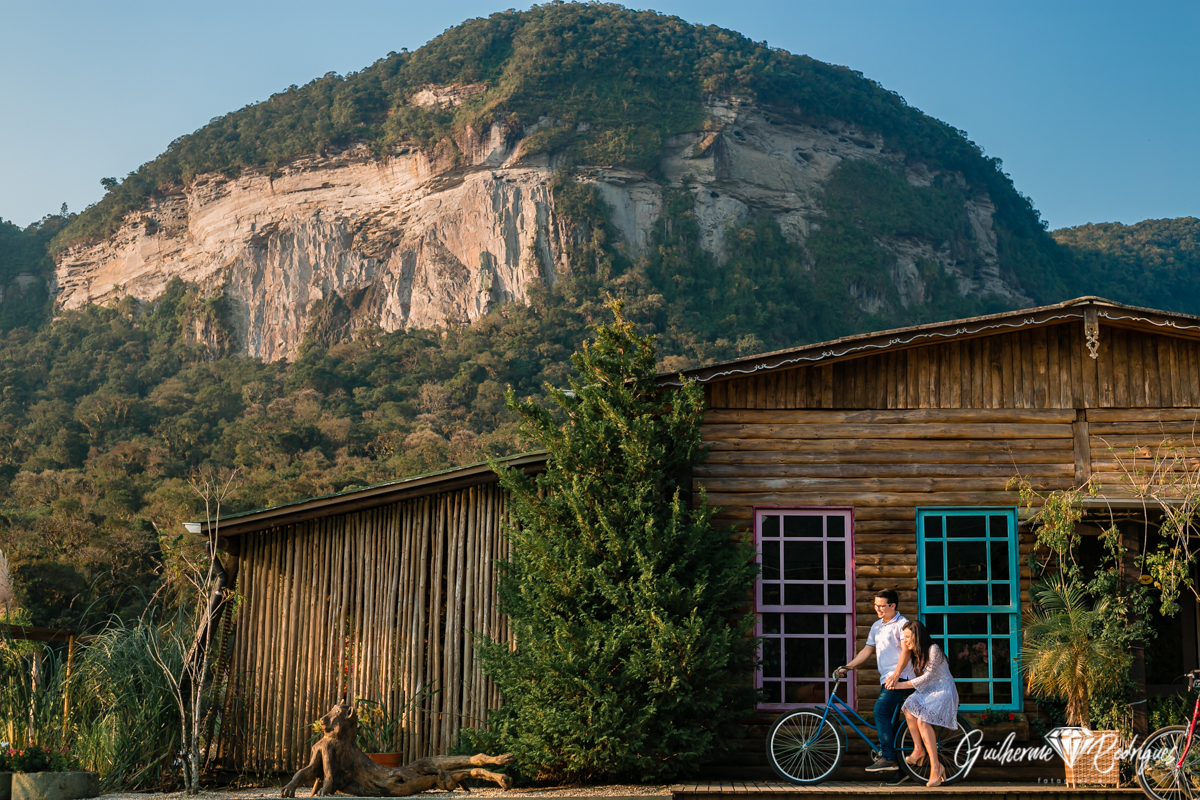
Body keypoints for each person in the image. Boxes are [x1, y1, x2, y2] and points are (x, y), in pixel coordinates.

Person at [835, 588, 913, 773]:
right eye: (875, 606)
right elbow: (866, 651)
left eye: (881, 606)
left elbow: (906, 651)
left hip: (900, 678)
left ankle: (887, 757)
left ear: (893, 605)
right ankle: (899, 770)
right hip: (887, 680)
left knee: (879, 711)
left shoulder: (902, 624)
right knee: (891, 724)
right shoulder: (876, 626)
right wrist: (848, 667)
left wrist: (895, 675)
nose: (877, 609)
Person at [891, 620, 960, 788]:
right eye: (904, 637)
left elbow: (927, 677)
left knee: (922, 721)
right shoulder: (915, 653)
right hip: (928, 691)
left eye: (908, 637)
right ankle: (918, 749)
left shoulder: (933, 649)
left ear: (917, 635)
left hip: (943, 690)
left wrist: (899, 685)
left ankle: (936, 767)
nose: (905, 641)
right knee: (908, 706)